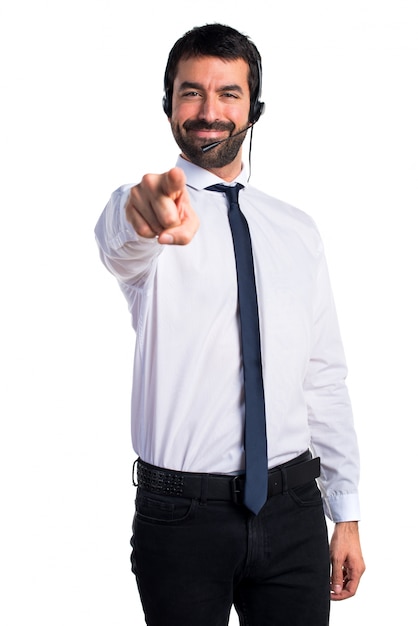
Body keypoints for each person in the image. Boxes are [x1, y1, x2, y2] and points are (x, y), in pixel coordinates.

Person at [95, 23, 365, 626]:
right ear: (169, 104)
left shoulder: (297, 231)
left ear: (254, 108)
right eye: (191, 93)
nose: (208, 111)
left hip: (295, 506)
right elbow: (122, 238)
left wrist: (344, 511)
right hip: (182, 517)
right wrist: (146, 214)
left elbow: (323, 377)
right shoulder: (149, 216)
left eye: (228, 94)